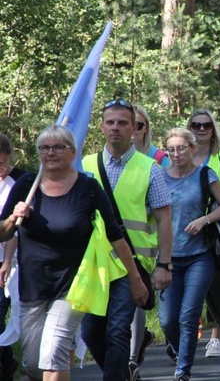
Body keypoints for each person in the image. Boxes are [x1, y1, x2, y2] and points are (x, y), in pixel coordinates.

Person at [0, 125, 148, 381]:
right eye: (44, 148)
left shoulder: (87, 188)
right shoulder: (26, 184)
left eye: (58, 147)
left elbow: (116, 235)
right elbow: (2, 232)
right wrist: (14, 216)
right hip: (33, 286)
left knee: (53, 351)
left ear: (72, 152)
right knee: (34, 363)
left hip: (73, 286)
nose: (51, 153)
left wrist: (135, 278)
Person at [81, 99, 173, 381]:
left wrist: (164, 265)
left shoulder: (150, 168)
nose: (116, 128)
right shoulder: (84, 165)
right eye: (110, 122)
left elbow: (164, 219)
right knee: (91, 332)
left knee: (118, 328)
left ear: (134, 128)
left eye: (122, 123)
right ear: (101, 127)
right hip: (93, 265)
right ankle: (122, 375)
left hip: (132, 263)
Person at [160, 128, 220, 381]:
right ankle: (180, 351)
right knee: (168, 320)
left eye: (181, 148)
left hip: (199, 255)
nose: (176, 154)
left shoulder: (205, 174)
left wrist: (204, 219)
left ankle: (183, 370)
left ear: (192, 148)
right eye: (171, 150)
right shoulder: (159, 176)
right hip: (168, 258)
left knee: (188, 315)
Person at [187, 109, 220, 358]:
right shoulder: (179, 156)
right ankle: (185, 332)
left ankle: (217, 336)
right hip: (187, 230)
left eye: (206, 125)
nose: (201, 130)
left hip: (218, 229)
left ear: (213, 129)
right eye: (196, 125)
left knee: (218, 280)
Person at [130, 103, 169, 373]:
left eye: (139, 125)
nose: (133, 130)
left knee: (137, 298)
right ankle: (136, 343)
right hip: (114, 242)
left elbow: (168, 201)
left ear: (146, 129)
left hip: (149, 242)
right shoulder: (101, 160)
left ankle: (131, 358)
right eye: (127, 123)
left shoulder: (158, 158)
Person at [0, 134, 26, 380]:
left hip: (13, 261)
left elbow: (15, 227)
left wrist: (7, 261)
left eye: (4, 164)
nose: (2, 170)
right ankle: (7, 362)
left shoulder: (20, 180)